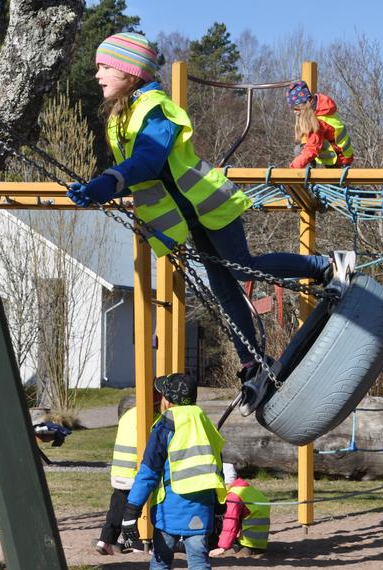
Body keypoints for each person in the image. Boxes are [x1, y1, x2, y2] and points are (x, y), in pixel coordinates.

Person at [67, 32, 347, 411]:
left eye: (105, 66)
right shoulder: (124, 115)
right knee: (224, 287)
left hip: (209, 205)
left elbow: (149, 159)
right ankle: (252, 364)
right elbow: (141, 171)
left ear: (129, 72)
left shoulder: (155, 108)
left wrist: (110, 181)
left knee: (241, 267)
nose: (97, 74)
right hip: (190, 216)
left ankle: (327, 265)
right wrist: (106, 184)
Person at [120, 373, 225, 570]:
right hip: (201, 508)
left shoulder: (165, 426)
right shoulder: (204, 422)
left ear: (168, 400)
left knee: (160, 562)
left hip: (170, 507)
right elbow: (217, 467)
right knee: (200, 565)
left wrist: (131, 512)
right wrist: (219, 511)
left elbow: (148, 473)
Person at [94, 392, 158, 556]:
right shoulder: (153, 418)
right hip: (135, 472)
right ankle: (134, 542)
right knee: (135, 508)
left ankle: (106, 540)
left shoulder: (128, 415)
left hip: (119, 471)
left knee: (117, 507)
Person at [287, 80, 354, 169]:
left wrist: (293, 168)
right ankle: (306, 176)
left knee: (302, 151)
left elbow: (312, 148)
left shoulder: (317, 120)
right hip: (338, 154)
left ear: (303, 106)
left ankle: (305, 179)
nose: (295, 112)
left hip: (339, 159)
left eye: (296, 108)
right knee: (300, 149)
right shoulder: (322, 109)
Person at [209, 463, 271, 558]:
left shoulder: (233, 496)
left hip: (248, 541)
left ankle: (245, 550)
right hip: (260, 540)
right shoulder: (246, 488)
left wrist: (222, 548)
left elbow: (230, 522)